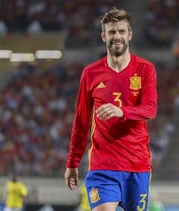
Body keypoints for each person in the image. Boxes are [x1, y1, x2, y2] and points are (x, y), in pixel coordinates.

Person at [64, 7, 158, 211]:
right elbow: (81, 122)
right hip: (103, 165)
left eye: (122, 31)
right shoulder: (90, 74)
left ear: (130, 34)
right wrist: (72, 163)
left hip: (137, 164)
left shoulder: (145, 69)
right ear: (103, 36)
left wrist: (122, 111)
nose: (117, 36)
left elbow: (150, 109)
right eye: (112, 32)